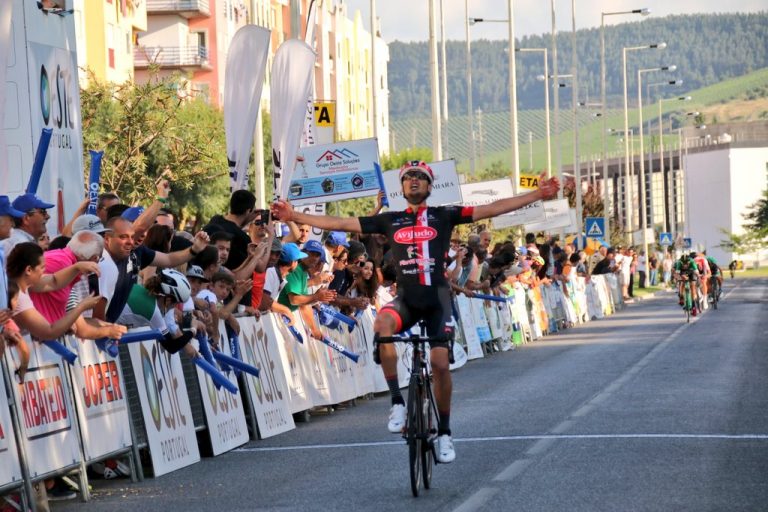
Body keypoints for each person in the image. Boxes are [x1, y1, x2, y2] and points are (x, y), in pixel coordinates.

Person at [271, 162, 560, 464]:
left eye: (420, 177)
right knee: (382, 322)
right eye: (408, 177)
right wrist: (294, 216)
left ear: (430, 186)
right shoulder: (389, 220)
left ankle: (445, 432)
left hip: (437, 301)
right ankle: (397, 401)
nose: (413, 181)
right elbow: (340, 223)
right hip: (407, 301)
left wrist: (537, 194)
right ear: (402, 187)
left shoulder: (444, 215)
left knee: (439, 363)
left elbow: (494, 208)